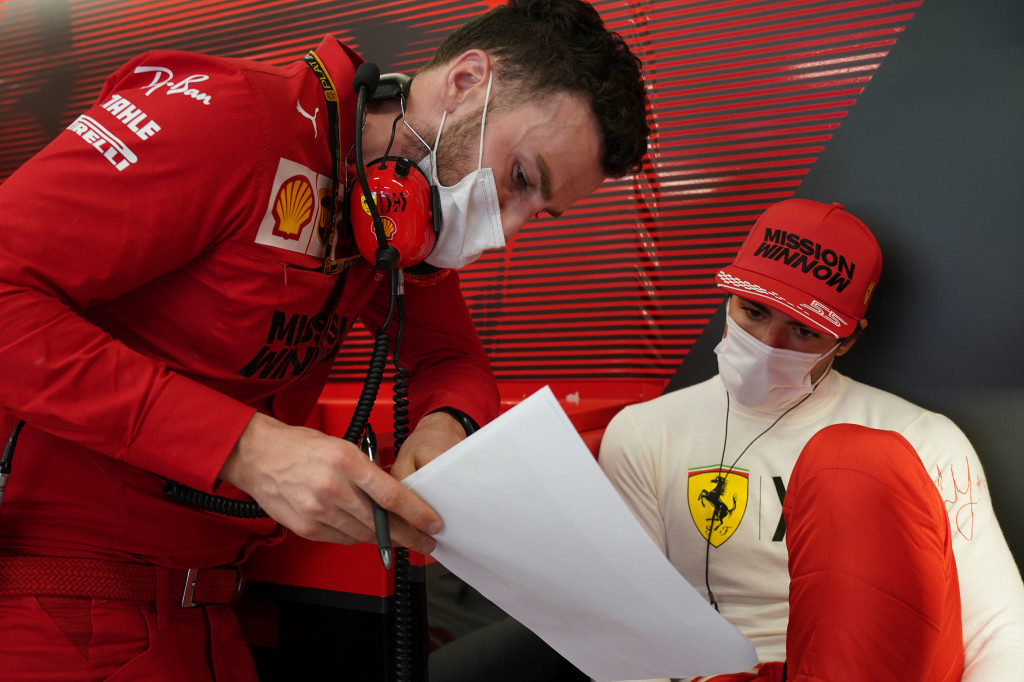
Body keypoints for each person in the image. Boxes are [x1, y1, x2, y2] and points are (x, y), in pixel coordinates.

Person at [0, 0, 650, 678]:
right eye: (518, 178)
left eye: (537, 212)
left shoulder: (397, 209)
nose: (506, 230)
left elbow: (450, 357)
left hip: (206, 612)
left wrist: (445, 427)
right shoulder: (232, 118)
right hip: (56, 601)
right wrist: (245, 447)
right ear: (466, 83)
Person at [598, 198, 1024, 682]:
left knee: (850, 459)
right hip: (713, 675)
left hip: (878, 670)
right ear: (728, 298)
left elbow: (1000, 630)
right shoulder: (644, 432)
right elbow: (626, 627)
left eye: (803, 331)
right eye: (753, 311)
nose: (768, 345)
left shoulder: (921, 439)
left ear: (847, 340)